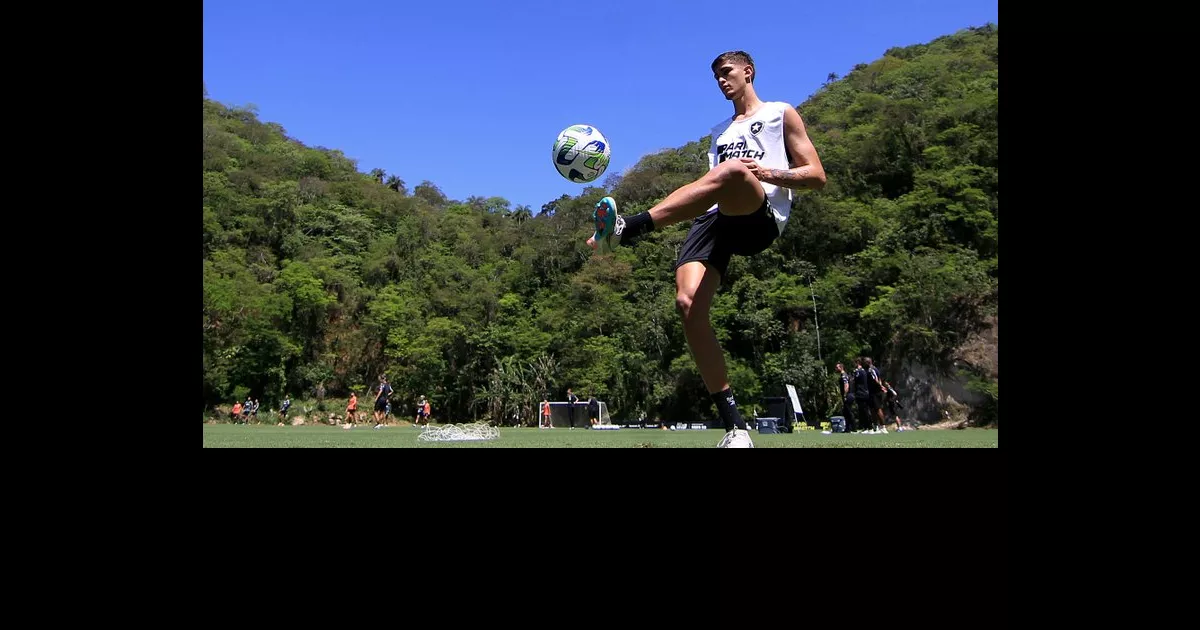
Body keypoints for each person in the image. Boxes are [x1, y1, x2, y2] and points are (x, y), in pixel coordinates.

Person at [585, 51, 825, 448]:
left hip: (758, 214)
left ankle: (627, 230)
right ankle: (735, 428)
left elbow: (816, 175)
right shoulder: (719, 133)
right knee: (688, 306)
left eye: (726, 72)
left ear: (748, 72)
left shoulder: (781, 113)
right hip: (717, 218)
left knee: (731, 172)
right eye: (715, 76)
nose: (720, 81)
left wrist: (766, 172)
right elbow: (706, 191)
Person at [835, 362, 856, 433]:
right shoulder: (843, 375)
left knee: (849, 412)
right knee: (846, 412)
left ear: (841, 368)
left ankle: (854, 428)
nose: (836, 369)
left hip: (848, 395)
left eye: (837, 367)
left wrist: (845, 395)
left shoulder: (843, 375)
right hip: (848, 395)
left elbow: (846, 385)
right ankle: (848, 428)